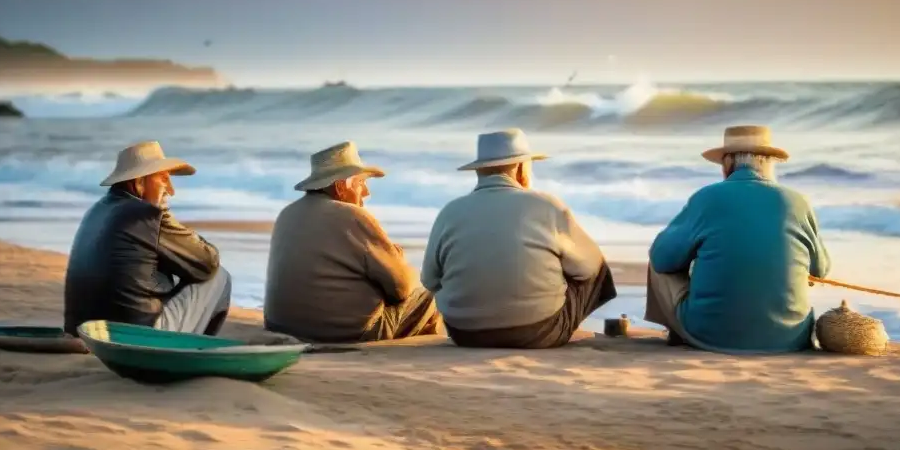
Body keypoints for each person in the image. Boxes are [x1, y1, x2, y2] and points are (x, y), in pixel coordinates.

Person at [422, 128, 616, 349]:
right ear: (522, 168)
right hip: (537, 332)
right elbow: (589, 268)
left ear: (479, 171)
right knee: (593, 266)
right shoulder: (545, 205)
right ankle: (555, 319)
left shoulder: (450, 212)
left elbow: (430, 280)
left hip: (464, 334)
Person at [646, 125, 830, 353]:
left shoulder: (707, 197)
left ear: (727, 163)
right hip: (790, 339)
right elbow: (820, 270)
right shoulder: (797, 201)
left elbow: (662, 259)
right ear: (769, 162)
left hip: (712, 335)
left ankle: (677, 332)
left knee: (658, 260)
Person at [264, 142, 441, 343]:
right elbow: (400, 289)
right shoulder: (352, 216)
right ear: (341, 187)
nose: (366, 192)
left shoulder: (287, 213)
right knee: (427, 288)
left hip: (282, 327)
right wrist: (399, 260)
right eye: (360, 183)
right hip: (342, 333)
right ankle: (421, 354)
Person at [64, 141, 231, 336]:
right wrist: (162, 212)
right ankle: (195, 350)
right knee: (219, 277)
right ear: (139, 182)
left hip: (87, 334)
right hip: (134, 337)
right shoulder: (145, 215)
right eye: (163, 179)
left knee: (177, 265)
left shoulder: (97, 210)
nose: (171, 190)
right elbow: (207, 262)